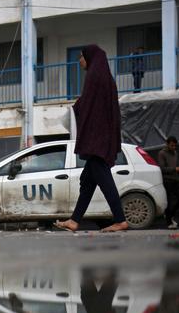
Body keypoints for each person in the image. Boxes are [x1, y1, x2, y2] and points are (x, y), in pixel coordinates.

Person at [54, 45, 128, 233]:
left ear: (90, 57)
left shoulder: (95, 77)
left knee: (103, 178)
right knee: (88, 180)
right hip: (102, 137)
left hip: (97, 138)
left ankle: (120, 219)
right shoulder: (105, 77)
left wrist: (78, 105)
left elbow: (88, 106)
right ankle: (74, 220)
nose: (79, 60)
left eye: (81, 56)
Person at [157, 136, 179, 229]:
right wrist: (174, 169)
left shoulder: (175, 153)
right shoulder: (162, 153)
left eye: (175, 146)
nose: (173, 147)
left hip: (176, 180)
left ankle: (170, 215)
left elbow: (177, 165)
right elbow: (162, 168)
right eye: (172, 145)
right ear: (167, 144)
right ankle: (169, 223)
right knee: (169, 201)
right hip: (167, 180)